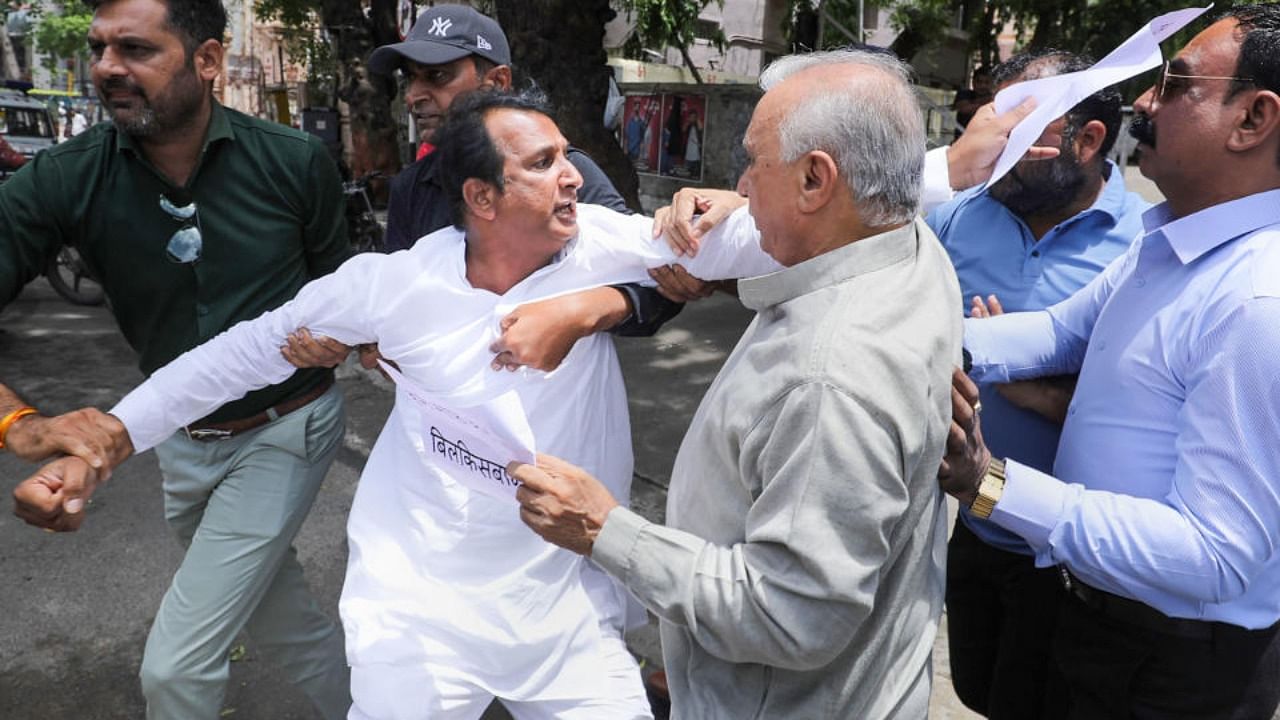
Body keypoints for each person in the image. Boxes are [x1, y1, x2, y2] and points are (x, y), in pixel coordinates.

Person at [13, 89, 779, 719]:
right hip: (419, 606)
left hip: (563, 605)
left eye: (567, 158)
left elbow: (760, 238)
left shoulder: (603, 246)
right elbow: (241, 352)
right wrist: (115, 434)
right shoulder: (391, 285)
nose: (573, 177)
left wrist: (725, 206)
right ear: (481, 196)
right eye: (544, 164)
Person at [509, 49, 963, 719]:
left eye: (754, 164)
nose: (741, 189)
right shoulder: (908, 247)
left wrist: (604, 529)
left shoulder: (829, 376)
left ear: (816, 180)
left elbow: (792, 616)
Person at [0, 0, 352, 717]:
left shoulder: (295, 162)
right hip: (177, 442)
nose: (105, 68)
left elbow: (343, 296)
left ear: (208, 61)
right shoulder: (64, 178)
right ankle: (379, 705)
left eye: (134, 49)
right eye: (99, 49)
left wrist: (343, 335)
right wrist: (19, 426)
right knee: (279, 615)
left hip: (288, 429)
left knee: (175, 671)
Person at [938, 6, 1280, 717]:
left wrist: (989, 484)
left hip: (1169, 659)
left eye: (1176, 84)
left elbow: (1216, 554)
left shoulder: (1257, 301)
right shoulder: (1170, 245)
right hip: (1086, 608)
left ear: (1253, 120)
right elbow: (1062, 331)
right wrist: (922, 345)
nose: (1145, 103)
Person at [928, 50, 1150, 719]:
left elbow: (1154, 419)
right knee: (976, 686)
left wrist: (1043, 394)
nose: (993, 149)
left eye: (1019, 133)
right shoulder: (956, 215)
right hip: (973, 526)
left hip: (1070, 563)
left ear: (1087, 141)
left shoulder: (1143, 247)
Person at [360, 4, 679, 371]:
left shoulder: (570, 176)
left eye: (436, 76)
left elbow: (659, 282)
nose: (414, 95)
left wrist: (586, 311)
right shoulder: (412, 187)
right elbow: (396, 297)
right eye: (409, 79)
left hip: (554, 415)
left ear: (496, 82)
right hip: (446, 416)